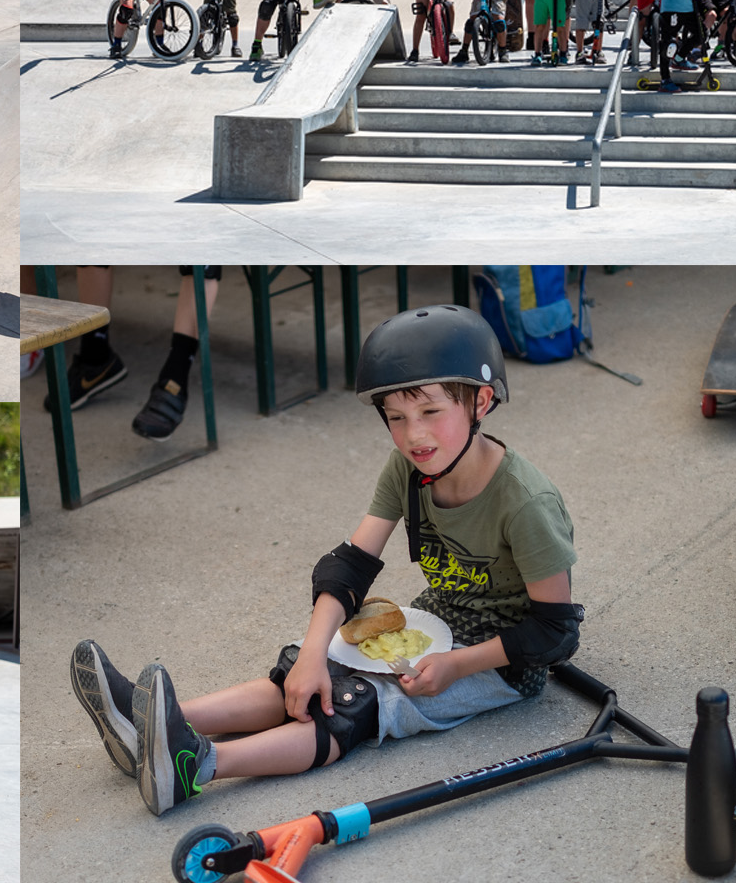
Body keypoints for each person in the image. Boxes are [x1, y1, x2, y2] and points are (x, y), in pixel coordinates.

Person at [75, 305, 585, 816]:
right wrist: (316, 651)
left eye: (431, 412)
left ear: (482, 401)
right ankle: (151, 724)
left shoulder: (525, 503)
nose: (414, 436)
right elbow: (350, 564)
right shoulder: (409, 467)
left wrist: (457, 665)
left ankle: (196, 766)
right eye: (396, 418)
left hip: (501, 661)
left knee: (355, 702)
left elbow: (553, 632)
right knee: (304, 672)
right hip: (437, 621)